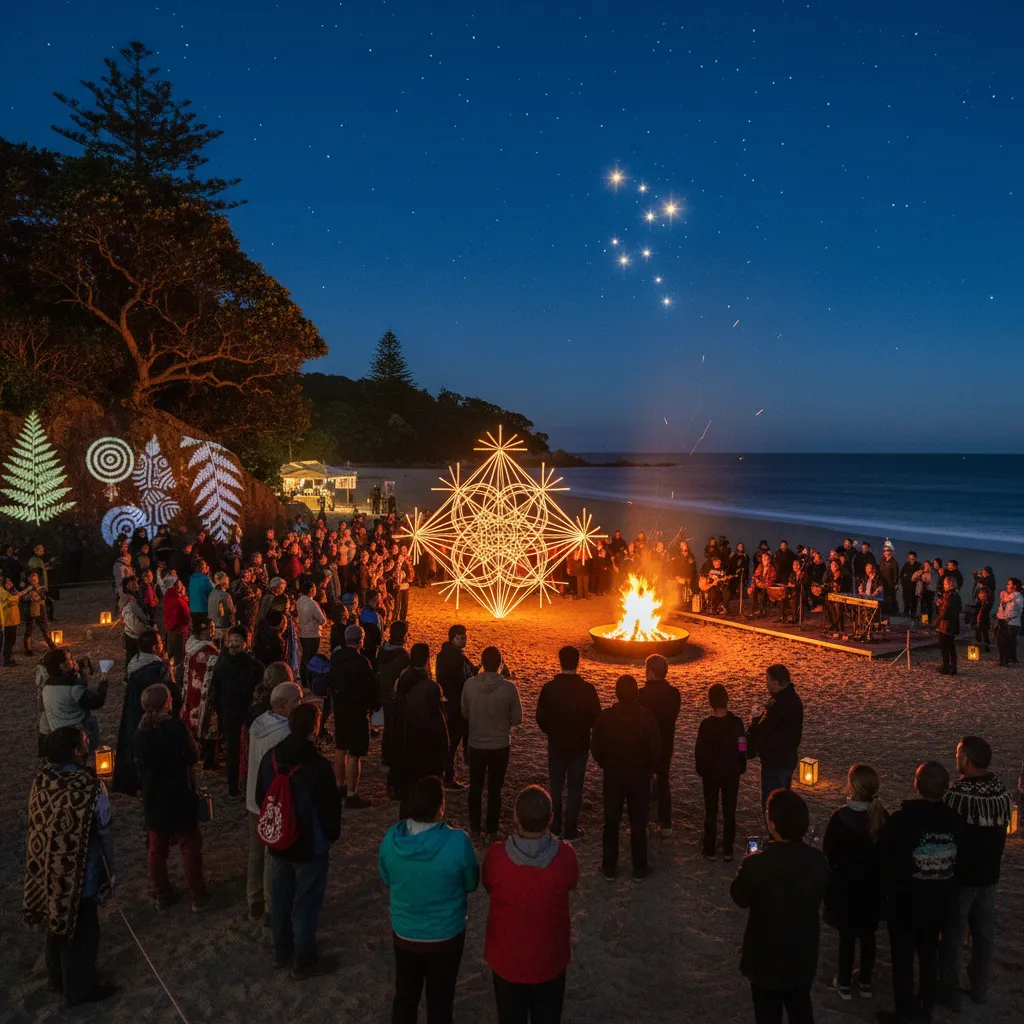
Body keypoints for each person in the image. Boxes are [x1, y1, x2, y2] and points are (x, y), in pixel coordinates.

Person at [23, 726, 117, 1009]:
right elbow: (104, 830)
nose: (88, 746)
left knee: (56, 920)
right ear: (76, 750)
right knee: (82, 930)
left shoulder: (42, 780)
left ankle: (56, 977)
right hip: (78, 871)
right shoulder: (89, 787)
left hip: (46, 865)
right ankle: (78, 988)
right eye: (85, 743)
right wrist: (109, 872)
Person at [378, 775, 479, 1024]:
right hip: (446, 935)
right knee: (441, 1000)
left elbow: (386, 877)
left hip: (406, 933)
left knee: (405, 995)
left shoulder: (392, 840)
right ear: (441, 807)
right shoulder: (458, 842)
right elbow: (471, 883)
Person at [256, 702, 342, 979]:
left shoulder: (270, 758)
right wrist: (330, 836)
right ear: (314, 729)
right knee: (306, 904)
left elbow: (262, 798)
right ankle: (304, 960)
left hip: (278, 840)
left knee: (280, 900)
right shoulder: (319, 767)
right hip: (309, 845)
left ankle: (282, 951)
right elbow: (330, 809)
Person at [730, 789, 830, 1024]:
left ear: (772, 825)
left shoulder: (757, 865)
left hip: (766, 957)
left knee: (767, 1013)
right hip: (802, 952)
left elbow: (739, 897)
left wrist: (747, 863)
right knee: (801, 1007)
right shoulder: (817, 861)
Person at [483, 786, 580, 1024]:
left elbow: (488, 885)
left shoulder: (497, 856)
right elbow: (572, 882)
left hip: (507, 959)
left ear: (515, 817)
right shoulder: (565, 856)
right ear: (551, 819)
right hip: (549, 960)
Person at [876, 761, 964, 1024]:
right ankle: (926, 1002)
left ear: (916, 785)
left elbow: (884, 859)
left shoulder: (902, 820)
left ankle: (905, 1010)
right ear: (946, 788)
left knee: (903, 959)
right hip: (939, 901)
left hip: (906, 903)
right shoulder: (956, 821)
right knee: (928, 954)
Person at [938, 736, 1013, 1009]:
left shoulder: (958, 796)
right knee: (983, 936)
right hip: (990, 875)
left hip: (962, 876)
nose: (957, 758)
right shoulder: (1002, 793)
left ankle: (950, 992)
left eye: (959, 754)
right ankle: (979, 988)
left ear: (966, 760)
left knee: (955, 937)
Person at [134, 683, 210, 911]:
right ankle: (198, 895)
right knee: (189, 845)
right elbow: (193, 755)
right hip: (178, 794)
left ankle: (162, 894)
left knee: (157, 847)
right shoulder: (175, 727)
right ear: (165, 703)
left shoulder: (139, 732)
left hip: (153, 797)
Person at [822, 764, 888, 1001]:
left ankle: (845, 981)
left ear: (852, 786)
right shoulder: (882, 817)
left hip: (847, 887)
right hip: (872, 888)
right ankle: (866, 981)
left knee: (847, 938)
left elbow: (828, 852)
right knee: (868, 936)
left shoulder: (840, 818)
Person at [590, 674, 661, 880]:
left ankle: (609, 867)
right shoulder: (646, 717)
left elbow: (596, 747)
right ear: (636, 693)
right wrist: (649, 769)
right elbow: (655, 748)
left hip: (613, 775)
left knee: (611, 823)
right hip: (638, 776)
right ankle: (639, 868)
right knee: (638, 822)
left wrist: (607, 764)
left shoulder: (606, 717)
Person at [246, 678, 302, 921]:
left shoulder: (258, 723)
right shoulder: (283, 733)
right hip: (273, 801)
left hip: (254, 797)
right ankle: (270, 906)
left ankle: (254, 897)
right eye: (296, 702)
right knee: (272, 857)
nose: (300, 705)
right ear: (281, 705)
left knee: (256, 852)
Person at [535, 645, 601, 841]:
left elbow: (541, 717)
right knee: (575, 787)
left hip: (556, 743)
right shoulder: (587, 689)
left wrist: (552, 731)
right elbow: (596, 717)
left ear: (560, 661)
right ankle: (570, 828)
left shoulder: (550, 688)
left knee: (555, 785)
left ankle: (555, 826)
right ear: (578, 663)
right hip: (579, 743)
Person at [461, 645, 523, 842]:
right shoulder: (509, 689)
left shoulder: (469, 685)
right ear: (500, 664)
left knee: (475, 786)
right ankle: (491, 829)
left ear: (482, 663)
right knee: (495, 789)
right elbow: (517, 718)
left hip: (476, 743)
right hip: (499, 745)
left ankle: (474, 828)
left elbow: (465, 712)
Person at [113, 630, 176, 796]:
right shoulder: (158, 669)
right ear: (155, 648)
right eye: (161, 642)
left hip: (135, 712)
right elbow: (170, 693)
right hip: (155, 715)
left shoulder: (134, 663)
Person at [392, 643, 449, 816]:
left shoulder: (401, 681)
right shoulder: (430, 687)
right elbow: (439, 722)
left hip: (405, 743)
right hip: (425, 745)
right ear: (426, 660)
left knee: (408, 790)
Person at [327, 623, 380, 808]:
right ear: (360, 641)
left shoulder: (336, 658)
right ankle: (352, 794)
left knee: (340, 748)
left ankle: (339, 785)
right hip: (357, 711)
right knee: (355, 754)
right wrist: (376, 706)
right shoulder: (361, 662)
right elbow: (371, 688)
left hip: (340, 708)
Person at [210, 625, 265, 797]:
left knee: (252, 748)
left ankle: (252, 783)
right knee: (233, 750)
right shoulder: (221, 662)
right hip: (228, 712)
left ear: (245, 643)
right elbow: (214, 689)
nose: (233, 644)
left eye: (237, 641)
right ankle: (233, 786)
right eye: (231, 641)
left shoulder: (254, 666)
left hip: (248, 712)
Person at [694, 683, 747, 860]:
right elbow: (742, 746)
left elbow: (699, 750)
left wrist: (701, 769)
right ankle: (728, 849)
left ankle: (709, 848)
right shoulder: (737, 723)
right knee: (729, 810)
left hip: (711, 774)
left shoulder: (706, 725)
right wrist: (741, 765)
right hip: (731, 772)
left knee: (711, 810)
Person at [746, 664, 804, 810]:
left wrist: (754, 722)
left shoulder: (781, 704)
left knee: (773, 805)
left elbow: (765, 731)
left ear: (775, 682)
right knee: (781, 801)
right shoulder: (791, 699)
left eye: (767, 679)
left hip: (776, 760)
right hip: (785, 758)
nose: (766, 683)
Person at [638, 654, 681, 835]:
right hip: (665, 743)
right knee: (664, 781)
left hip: (645, 744)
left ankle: (644, 821)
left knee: (642, 781)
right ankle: (666, 825)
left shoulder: (641, 694)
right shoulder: (674, 694)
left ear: (649, 672)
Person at [40, 649, 109, 754]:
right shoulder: (73, 688)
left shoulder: (48, 685)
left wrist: (79, 670)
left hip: (57, 730)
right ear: (62, 665)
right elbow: (96, 702)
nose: (73, 661)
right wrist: (103, 682)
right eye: (69, 659)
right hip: (78, 732)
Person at [436, 624, 476, 789]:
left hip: (449, 702)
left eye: (465, 636)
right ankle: (448, 776)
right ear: (452, 638)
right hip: (457, 704)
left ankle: (446, 774)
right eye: (460, 636)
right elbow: (464, 679)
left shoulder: (444, 655)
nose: (464, 639)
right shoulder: (457, 658)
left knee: (451, 741)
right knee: (453, 742)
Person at [378, 620, 411, 770]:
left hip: (383, 692)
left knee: (388, 726)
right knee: (395, 727)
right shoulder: (402, 655)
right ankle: (390, 757)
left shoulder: (383, 650)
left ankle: (386, 755)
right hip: (395, 695)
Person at [296, 580, 326, 682]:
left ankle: (303, 679)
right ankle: (310, 679)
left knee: (304, 657)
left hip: (302, 633)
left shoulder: (299, 601)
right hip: (313, 634)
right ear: (310, 591)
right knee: (311, 658)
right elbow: (322, 620)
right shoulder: (312, 603)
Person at [163, 577, 191, 686]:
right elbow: (182, 614)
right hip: (179, 630)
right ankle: (177, 680)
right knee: (179, 655)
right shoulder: (176, 600)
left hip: (171, 629)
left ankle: (169, 675)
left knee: (170, 653)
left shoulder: (169, 596)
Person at [935, 574, 962, 675]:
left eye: (945, 583)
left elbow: (945, 611)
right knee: (950, 645)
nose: (944, 585)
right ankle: (951, 666)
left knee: (944, 645)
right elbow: (956, 608)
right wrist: (941, 604)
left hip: (946, 624)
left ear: (950, 584)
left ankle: (946, 666)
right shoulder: (956, 595)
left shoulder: (949, 595)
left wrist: (937, 620)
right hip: (953, 623)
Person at [118, 576, 148, 666]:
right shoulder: (128, 600)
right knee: (133, 657)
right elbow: (130, 617)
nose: (136, 585)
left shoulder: (137, 595)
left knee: (134, 657)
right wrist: (146, 628)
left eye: (136, 583)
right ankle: (130, 676)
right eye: (133, 584)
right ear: (127, 586)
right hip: (134, 633)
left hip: (136, 630)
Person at [994, 577, 1022, 666]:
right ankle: (1006, 659)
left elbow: (1018, 610)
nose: (1007, 586)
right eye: (1007, 584)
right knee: (1002, 642)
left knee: (1009, 642)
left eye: (1009, 584)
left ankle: (1008, 659)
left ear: (1015, 586)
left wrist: (1009, 617)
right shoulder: (1006, 597)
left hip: (1012, 623)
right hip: (1003, 622)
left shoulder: (1018, 597)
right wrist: (999, 617)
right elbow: (1002, 609)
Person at [0, 574, 27, 666]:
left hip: (14, 619)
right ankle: (6, 660)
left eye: (10, 581)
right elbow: (10, 600)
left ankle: (8, 658)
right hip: (8, 620)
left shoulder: (12, 591)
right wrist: (18, 596)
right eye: (6, 582)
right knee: (9, 641)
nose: (9, 583)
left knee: (12, 641)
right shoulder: (2, 592)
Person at [188, 560, 214, 633]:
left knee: (196, 632)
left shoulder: (192, 579)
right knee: (205, 632)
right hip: (203, 610)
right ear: (202, 568)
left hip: (193, 610)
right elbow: (212, 593)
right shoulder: (205, 579)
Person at [207, 571, 236, 637]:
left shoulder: (211, 594)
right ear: (224, 581)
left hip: (212, 628)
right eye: (227, 580)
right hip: (223, 629)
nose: (229, 582)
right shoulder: (225, 596)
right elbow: (231, 613)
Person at [899, 552, 919, 619]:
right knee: (906, 601)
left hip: (914, 588)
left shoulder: (918, 565)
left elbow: (918, 576)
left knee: (914, 602)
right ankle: (906, 614)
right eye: (909, 558)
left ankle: (913, 616)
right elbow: (901, 575)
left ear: (915, 558)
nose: (911, 560)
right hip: (906, 587)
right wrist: (904, 582)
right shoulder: (906, 565)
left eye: (912, 558)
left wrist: (908, 576)